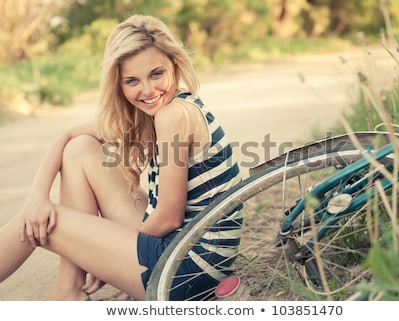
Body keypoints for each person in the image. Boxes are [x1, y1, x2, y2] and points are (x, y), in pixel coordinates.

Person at [0, 14, 242, 301]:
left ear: (175, 66)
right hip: (181, 250)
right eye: (132, 80)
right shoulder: (159, 111)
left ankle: (67, 292)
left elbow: (168, 218)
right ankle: (70, 289)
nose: (148, 90)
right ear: (119, 84)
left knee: (43, 221)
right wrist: (36, 196)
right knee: (80, 149)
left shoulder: (173, 115)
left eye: (156, 74)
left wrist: (105, 251)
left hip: (187, 272)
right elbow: (67, 137)